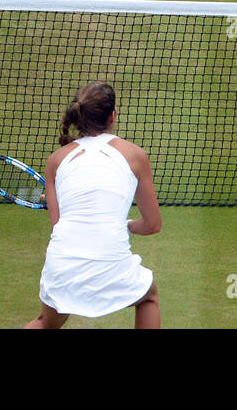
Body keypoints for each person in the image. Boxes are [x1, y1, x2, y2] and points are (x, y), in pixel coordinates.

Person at [25, 82, 162, 329]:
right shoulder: (135, 155)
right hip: (112, 265)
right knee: (148, 296)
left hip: (62, 266)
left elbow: (58, 226)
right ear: (113, 115)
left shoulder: (56, 159)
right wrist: (128, 225)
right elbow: (153, 225)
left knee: (46, 322)